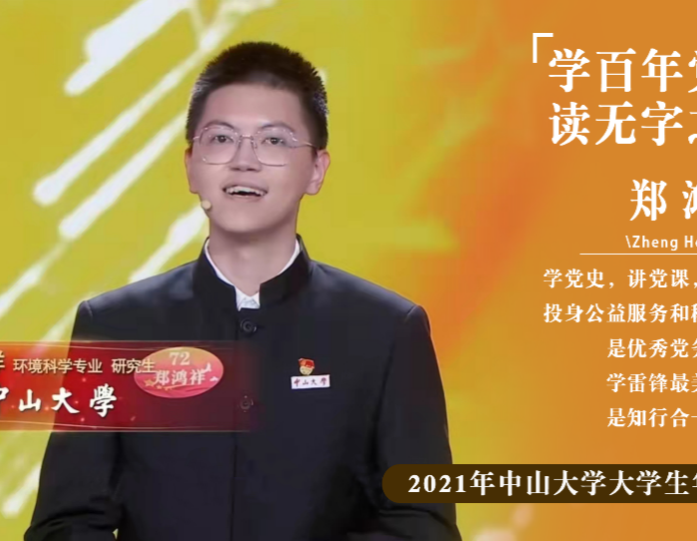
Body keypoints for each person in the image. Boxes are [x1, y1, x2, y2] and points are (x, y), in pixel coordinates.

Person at [26, 41, 459, 541]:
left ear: (316, 169)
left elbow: (423, 523)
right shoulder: (115, 326)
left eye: (274, 141)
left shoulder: (386, 331)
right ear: (191, 164)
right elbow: (65, 523)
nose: (244, 161)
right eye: (221, 138)